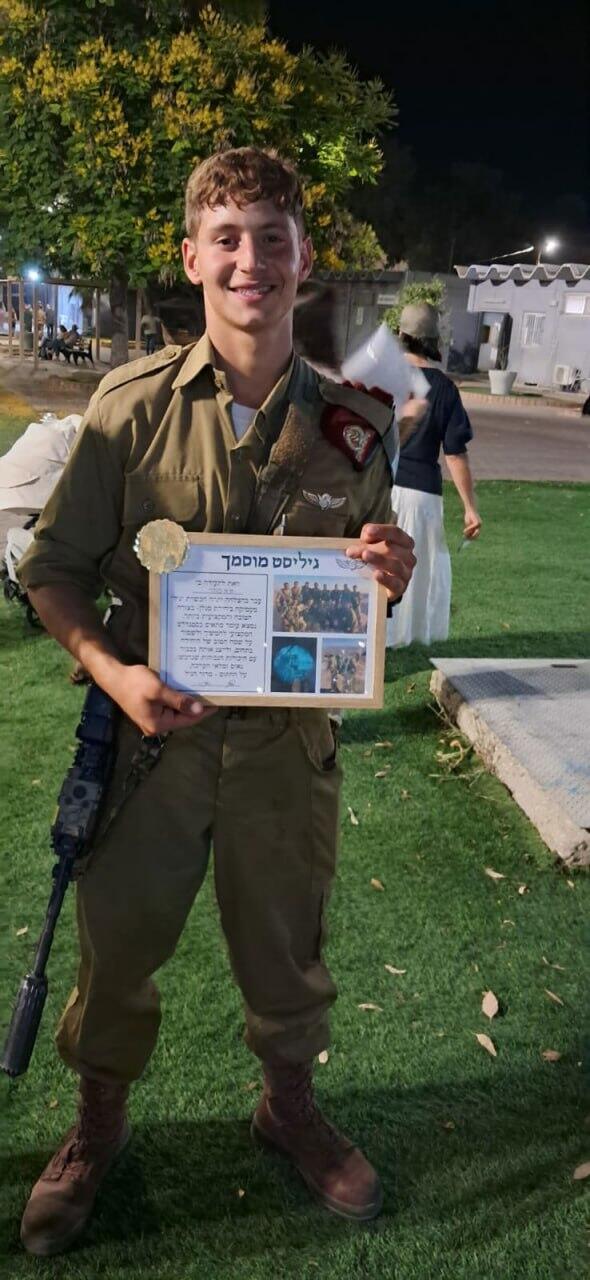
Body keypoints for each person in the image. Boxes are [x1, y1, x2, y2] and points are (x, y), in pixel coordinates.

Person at [17, 146, 418, 1258]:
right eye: (227, 238)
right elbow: (49, 569)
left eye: (272, 237)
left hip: (288, 751)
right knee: (119, 945)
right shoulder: (129, 409)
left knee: (287, 950)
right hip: (154, 745)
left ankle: (284, 1106)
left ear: (303, 259)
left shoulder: (355, 428)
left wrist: (385, 568)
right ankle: (98, 1124)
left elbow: (361, 590)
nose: (251, 260)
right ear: (191, 257)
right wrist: (116, 673)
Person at [386, 302, 481, 648]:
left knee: (379, 559)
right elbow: (455, 453)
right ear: (432, 341)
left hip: (380, 487)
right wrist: (470, 507)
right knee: (420, 567)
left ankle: (377, 634)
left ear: (401, 335)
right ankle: (409, 636)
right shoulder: (444, 389)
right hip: (422, 493)